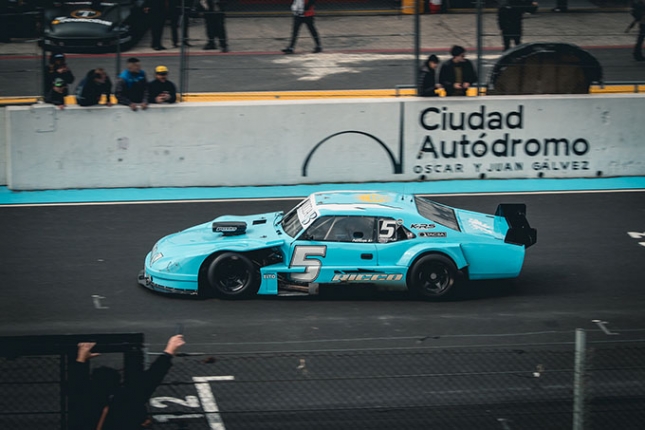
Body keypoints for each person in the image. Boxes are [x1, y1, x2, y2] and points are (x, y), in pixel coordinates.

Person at [69, 335, 186, 430]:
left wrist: (81, 359)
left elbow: (77, 382)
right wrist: (169, 350)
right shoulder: (127, 399)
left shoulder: (85, 399)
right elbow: (153, 376)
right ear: (117, 382)